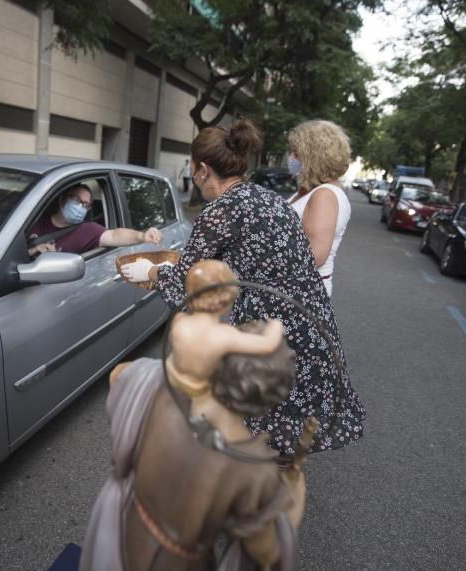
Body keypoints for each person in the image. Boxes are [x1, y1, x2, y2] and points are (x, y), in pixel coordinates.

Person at [118, 119, 365, 455]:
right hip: (311, 326)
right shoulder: (269, 198)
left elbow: (188, 286)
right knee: (281, 443)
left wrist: (152, 271)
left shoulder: (221, 210)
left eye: (193, 170)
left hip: (270, 337)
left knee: (253, 442)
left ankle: (250, 500)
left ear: (203, 170)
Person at [80, 260, 306, 570]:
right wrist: (290, 511)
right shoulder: (250, 465)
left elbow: (121, 377)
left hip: (123, 535)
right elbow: (268, 554)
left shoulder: (143, 385)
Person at [285, 119, 352, 298]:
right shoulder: (311, 191)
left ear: (313, 156)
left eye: (296, 153)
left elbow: (313, 256)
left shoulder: (324, 195)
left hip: (299, 297)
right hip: (288, 292)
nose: (291, 157)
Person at [28, 183, 163, 256]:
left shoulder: (87, 230)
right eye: (77, 200)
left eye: (86, 205)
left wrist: (141, 235)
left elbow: (114, 235)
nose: (81, 207)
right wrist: (33, 251)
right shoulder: (35, 219)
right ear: (62, 199)